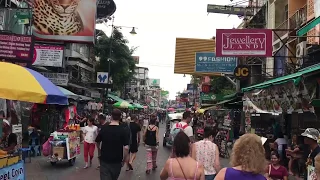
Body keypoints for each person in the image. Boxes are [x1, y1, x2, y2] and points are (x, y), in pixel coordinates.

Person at [96, 109, 129, 180]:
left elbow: (97, 141)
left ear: (111, 116)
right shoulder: (123, 130)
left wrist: (99, 151)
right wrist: (124, 160)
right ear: (120, 117)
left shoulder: (104, 128)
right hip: (117, 161)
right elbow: (126, 148)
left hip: (105, 160)